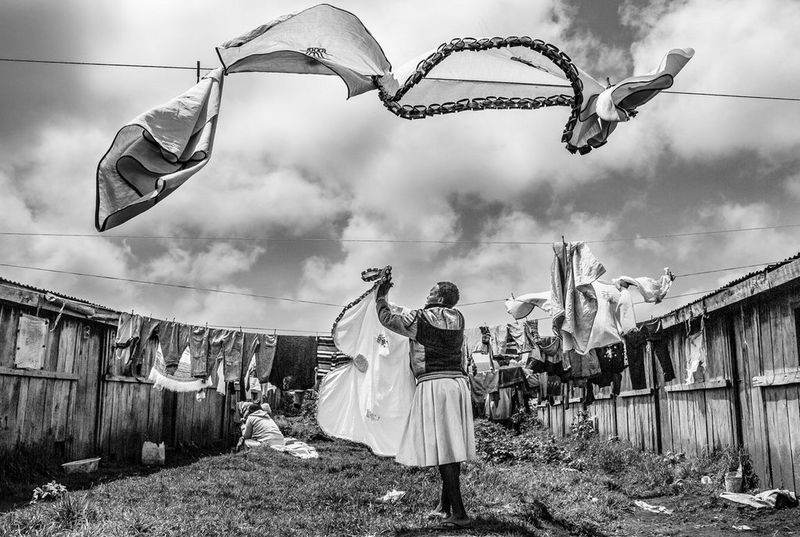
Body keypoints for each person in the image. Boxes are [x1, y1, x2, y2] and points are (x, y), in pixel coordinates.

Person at [375, 278, 475, 529]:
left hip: (435, 385)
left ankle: (460, 514)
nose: (426, 297)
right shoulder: (459, 318)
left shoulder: (420, 318)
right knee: (449, 446)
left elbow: (387, 320)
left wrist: (380, 297)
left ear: (439, 299)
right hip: (457, 384)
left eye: (431, 293)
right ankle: (445, 506)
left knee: (446, 449)